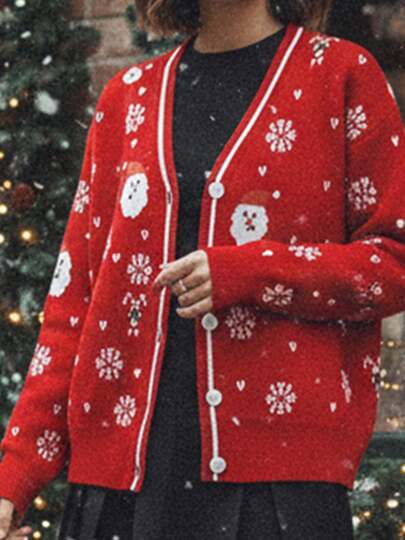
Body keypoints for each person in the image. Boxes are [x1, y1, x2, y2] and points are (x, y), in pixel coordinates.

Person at [1, 0, 405, 538]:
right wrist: (14, 480)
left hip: (276, 492)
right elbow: (75, 304)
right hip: (124, 490)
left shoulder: (340, 75)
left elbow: (393, 261)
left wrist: (253, 273)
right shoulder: (127, 98)